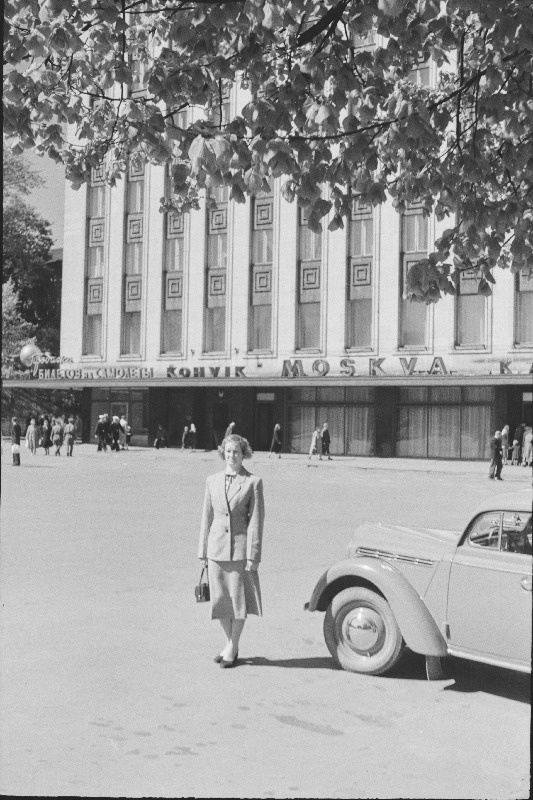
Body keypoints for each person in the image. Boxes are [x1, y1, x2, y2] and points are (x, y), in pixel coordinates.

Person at [198, 434, 265, 669]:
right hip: (216, 550)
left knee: (237, 602)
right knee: (220, 602)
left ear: (243, 453)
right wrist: (202, 552)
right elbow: (206, 517)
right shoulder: (212, 480)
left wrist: (253, 555)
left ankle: (233, 646)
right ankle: (229, 644)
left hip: (238, 550)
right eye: (228, 452)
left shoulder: (252, 482)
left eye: (236, 452)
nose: (232, 456)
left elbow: (256, 521)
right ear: (222, 453)